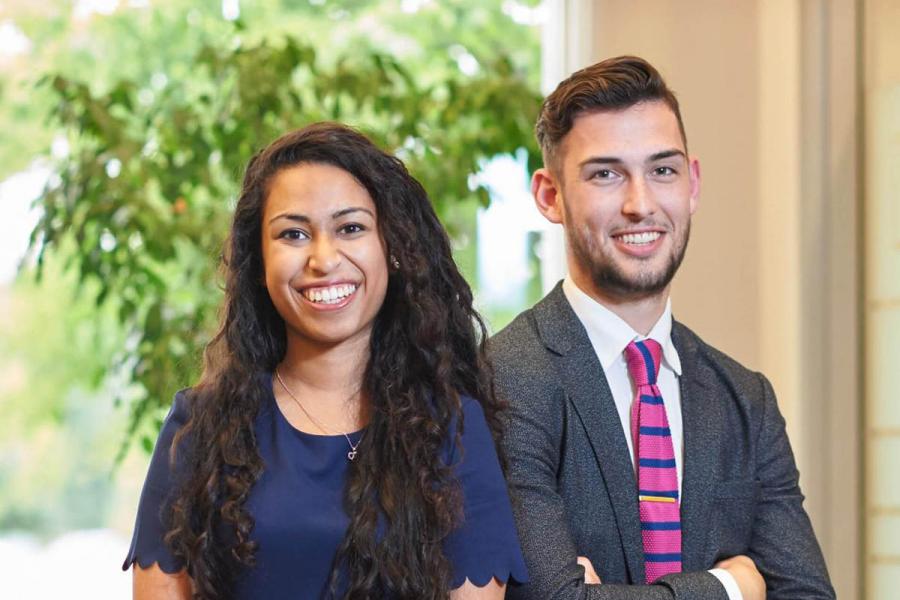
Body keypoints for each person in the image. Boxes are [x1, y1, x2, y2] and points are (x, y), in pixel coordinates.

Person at [122, 123, 528, 599]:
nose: (323, 258)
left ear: (393, 249)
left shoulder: (454, 431)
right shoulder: (198, 427)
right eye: (293, 234)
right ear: (260, 262)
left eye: (350, 228)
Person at [489, 56, 835, 599]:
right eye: (605, 174)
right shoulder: (504, 381)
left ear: (692, 183)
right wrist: (730, 587)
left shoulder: (745, 400)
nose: (640, 203)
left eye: (662, 170)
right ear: (549, 195)